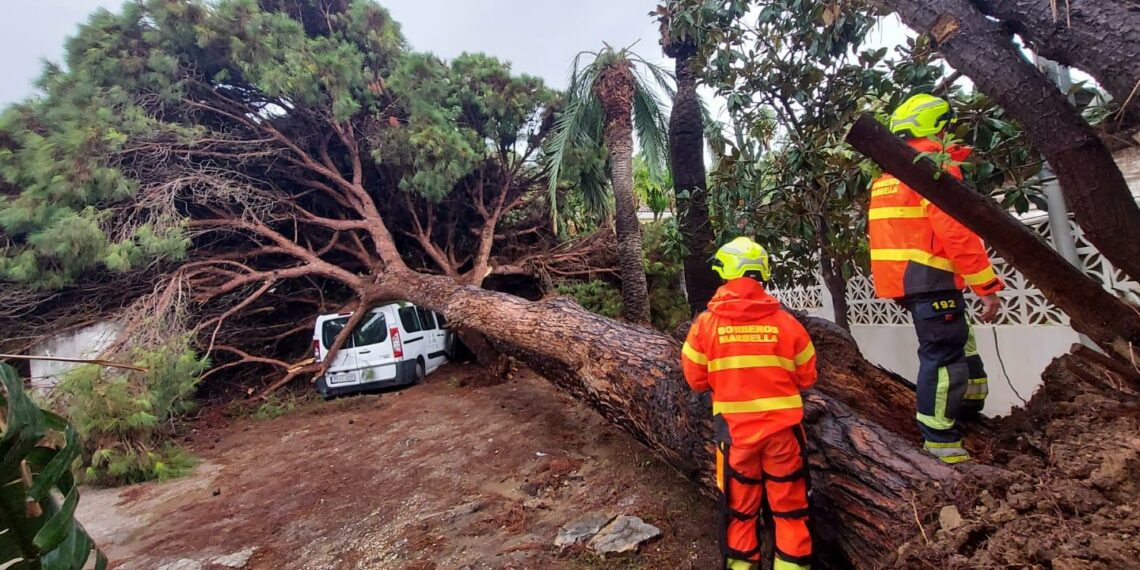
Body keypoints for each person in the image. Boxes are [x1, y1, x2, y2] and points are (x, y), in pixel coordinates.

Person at [868, 93, 1004, 464]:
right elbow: (957, 232)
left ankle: (970, 402)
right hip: (930, 277)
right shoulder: (932, 167)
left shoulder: (891, 173)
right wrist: (986, 286)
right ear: (939, 127)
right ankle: (941, 443)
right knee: (943, 356)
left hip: (910, 279)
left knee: (959, 340)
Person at [681, 237, 817, 570]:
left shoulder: (705, 326)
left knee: (739, 514)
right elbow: (808, 377)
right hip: (784, 437)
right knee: (791, 512)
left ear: (725, 271)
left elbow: (695, 380)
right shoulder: (788, 324)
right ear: (762, 272)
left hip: (736, 439)